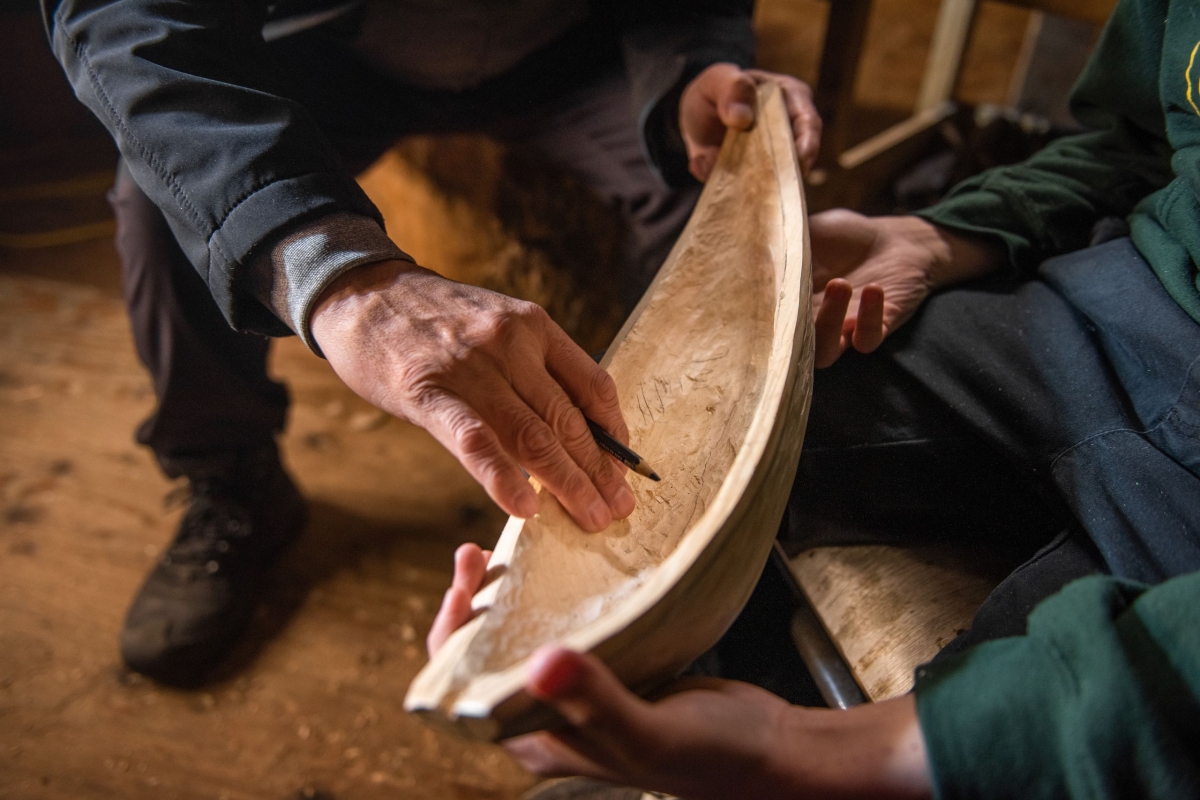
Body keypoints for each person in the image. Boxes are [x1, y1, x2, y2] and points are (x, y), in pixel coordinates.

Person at [429, 0, 1200, 795]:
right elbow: (1136, 139)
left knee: (1011, 706)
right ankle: (702, 695)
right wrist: (941, 237)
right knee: (753, 410)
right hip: (1123, 304)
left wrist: (805, 750)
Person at [42, 0, 821, 683]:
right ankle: (233, 480)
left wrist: (691, 65)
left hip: (575, 51)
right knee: (168, 209)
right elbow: (130, 15)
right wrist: (343, 279)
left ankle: (691, 522)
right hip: (331, 46)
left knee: (723, 212)